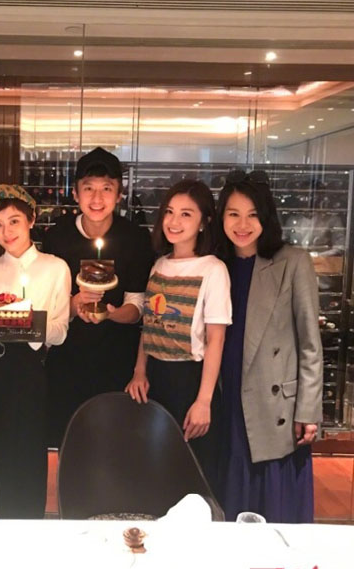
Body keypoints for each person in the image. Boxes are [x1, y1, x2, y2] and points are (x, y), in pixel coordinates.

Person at [216, 170, 322, 523]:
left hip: (275, 401)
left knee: (275, 505)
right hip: (227, 391)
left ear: (266, 217)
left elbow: (310, 344)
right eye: (233, 214)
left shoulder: (293, 261)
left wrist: (308, 409)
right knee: (231, 489)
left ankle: (273, 562)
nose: (242, 224)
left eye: (252, 215)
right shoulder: (217, 265)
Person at [0, 184, 71, 519]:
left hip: (28, 369)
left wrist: (29, 323)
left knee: (26, 451)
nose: (6, 232)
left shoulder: (55, 268)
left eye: (14, 221)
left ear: (31, 220)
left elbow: (60, 332)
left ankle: (26, 523)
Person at [125, 179, 231, 495]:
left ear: (204, 222)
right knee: (156, 475)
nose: (174, 221)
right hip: (156, 380)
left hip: (190, 380)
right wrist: (140, 372)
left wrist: (204, 401)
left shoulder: (213, 270)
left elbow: (216, 340)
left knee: (193, 479)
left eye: (186, 214)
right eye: (170, 212)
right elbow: (149, 324)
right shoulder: (159, 265)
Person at [43, 147, 153, 447]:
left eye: (107, 189)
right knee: (65, 442)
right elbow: (48, 305)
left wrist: (111, 313)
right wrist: (73, 305)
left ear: (119, 195)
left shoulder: (135, 239)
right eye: (88, 188)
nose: (97, 198)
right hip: (66, 361)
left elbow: (138, 306)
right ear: (75, 194)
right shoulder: (57, 237)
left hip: (117, 360)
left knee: (112, 443)